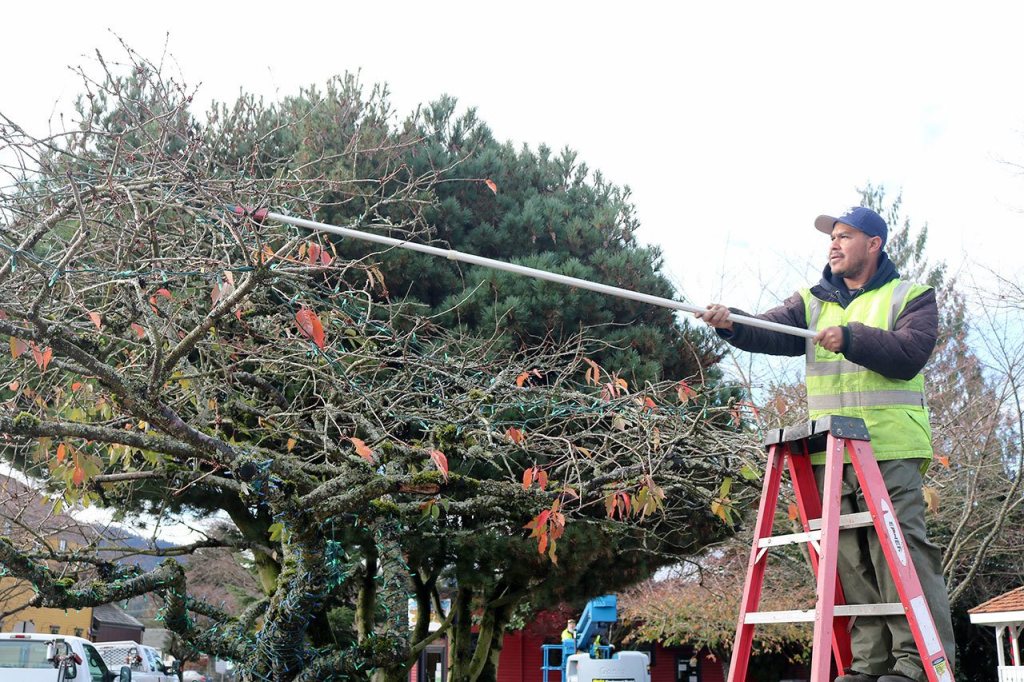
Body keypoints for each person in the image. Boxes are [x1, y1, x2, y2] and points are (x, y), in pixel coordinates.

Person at [696, 206, 955, 682]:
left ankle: (916, 663)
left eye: (845, 236)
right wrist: (730, 322)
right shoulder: (812, 301)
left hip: (887, 448)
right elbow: (769, 330)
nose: (833, 245)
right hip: (830, 452)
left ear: (874, 243)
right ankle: (868, 664)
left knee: (897, 553)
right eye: (831, 238)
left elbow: (909, 354)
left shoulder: (912, 296)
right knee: (850, 560)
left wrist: (851, 338)